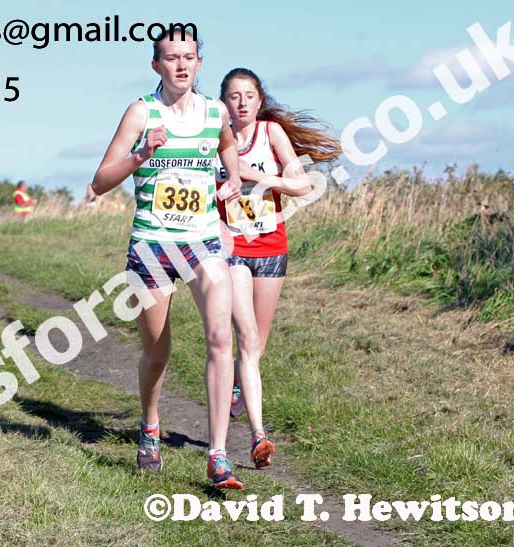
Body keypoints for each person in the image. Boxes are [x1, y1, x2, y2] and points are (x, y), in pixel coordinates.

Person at [91, 29, 245, 489]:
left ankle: (218, 455)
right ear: (156, 65)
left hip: (203, 242)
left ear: (200, 63)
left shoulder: (215, 112)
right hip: (153, 246)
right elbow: (100, 181)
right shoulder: (142, 112)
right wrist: (142, 153)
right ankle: (151, 423)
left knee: (221, 337)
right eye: (171, 58)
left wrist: (233, 177)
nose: (181, 65)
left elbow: (227, 144)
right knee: (157, 352)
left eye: (189, 57)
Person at [215, 68, 340, 468]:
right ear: (223, 103)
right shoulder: (213, 139)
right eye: (234, 96)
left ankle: (238, 384)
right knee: (247, 337)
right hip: (232, 249)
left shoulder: (271, 134)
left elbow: (303, 186)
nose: (242, 103)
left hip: (271, 248)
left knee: (256, 348)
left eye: (249, 96)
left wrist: (260, 178)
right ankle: (258, 436)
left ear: (260, 100)